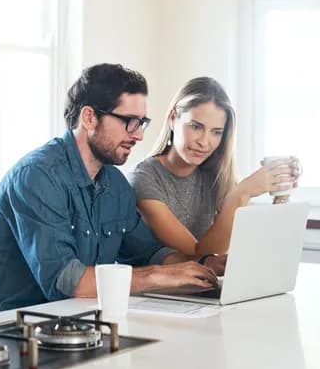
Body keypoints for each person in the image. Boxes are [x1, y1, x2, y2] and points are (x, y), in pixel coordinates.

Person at [0, 64, 219, 317]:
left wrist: (206, 265)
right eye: (129, 122)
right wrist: (155, 276)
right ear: (89, 118)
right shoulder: (37, 177)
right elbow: (67, 282)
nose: (139, 135)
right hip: (3, 332)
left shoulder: (115, 185)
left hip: (72, 325)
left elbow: (148, 253)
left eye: (142, 123)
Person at [128, 77, 302, 258]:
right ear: (173, 119)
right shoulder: (143, 178)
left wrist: (282, 191)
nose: (204, 142)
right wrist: (241, 192)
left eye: (216, 132)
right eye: (195, 127)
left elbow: (249, 244)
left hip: (206, 284)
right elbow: (199, 255)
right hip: (161, 285)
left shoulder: (215, 175)